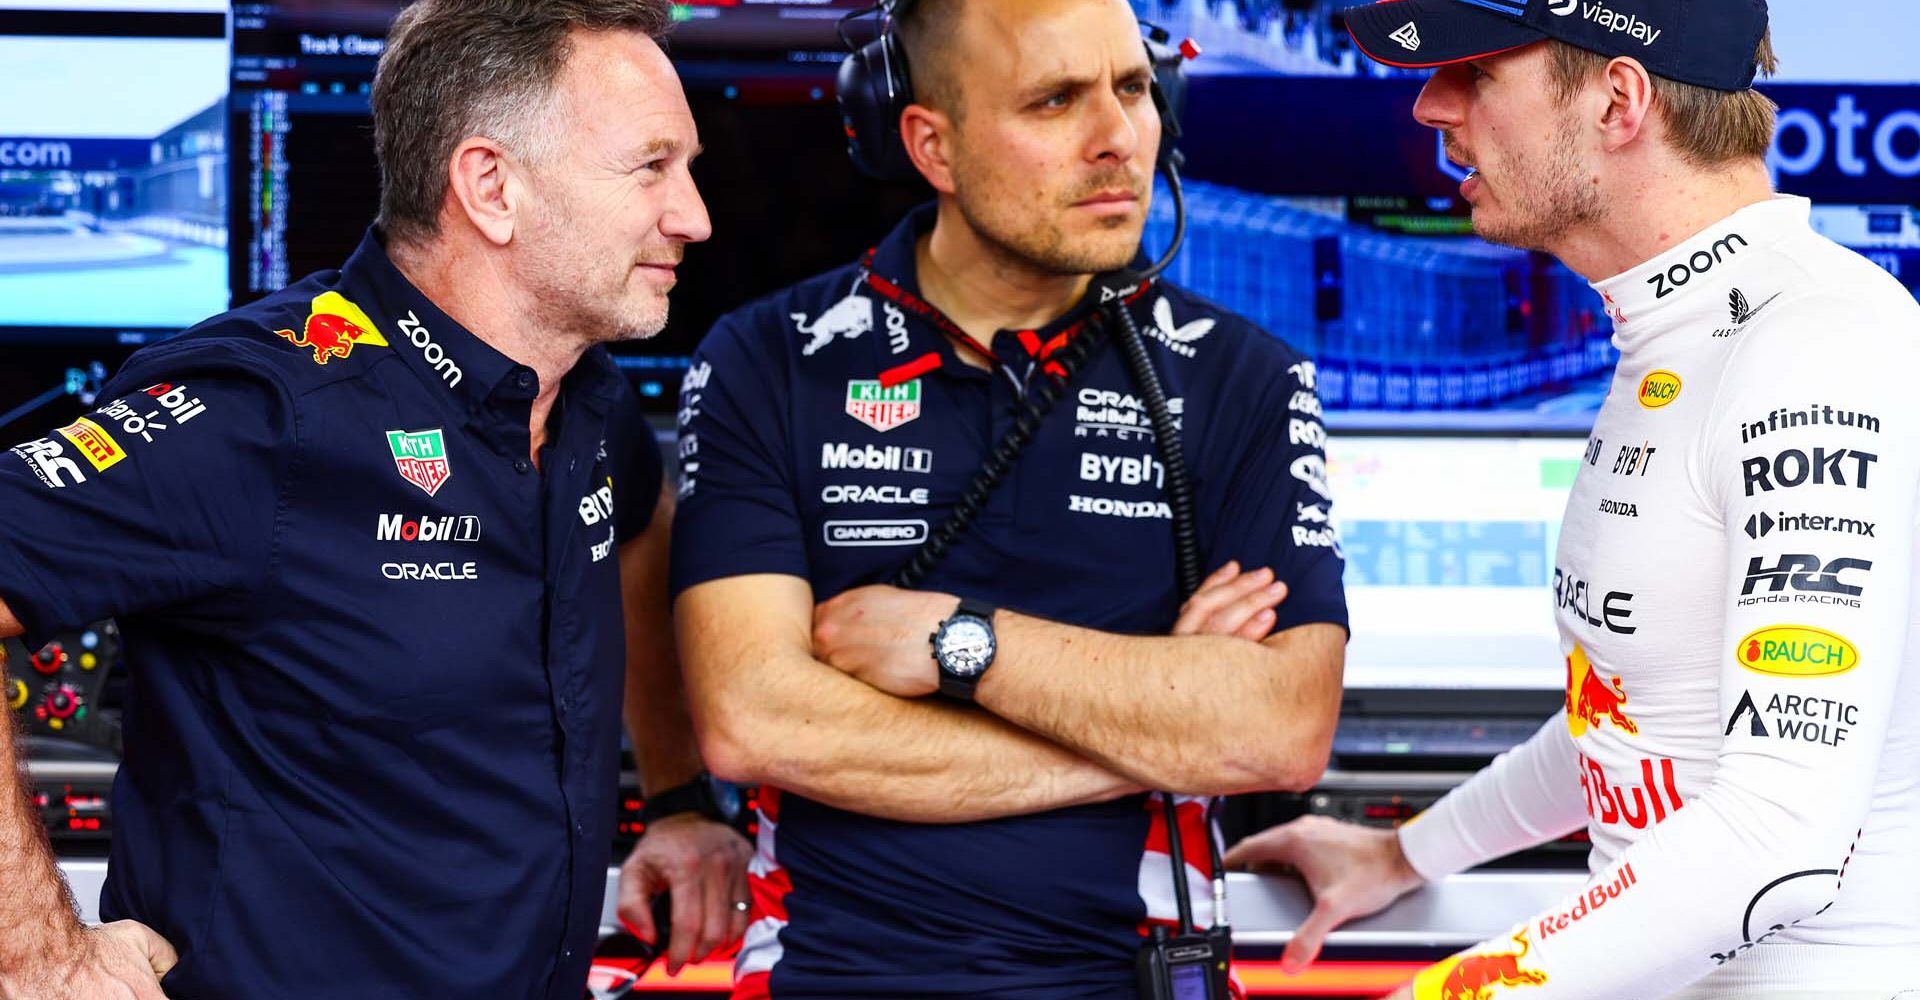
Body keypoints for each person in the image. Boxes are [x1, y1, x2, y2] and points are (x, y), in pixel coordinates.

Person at [0, 2, 752, 998]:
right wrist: (38, 952)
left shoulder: (590, 405)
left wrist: (680, 794)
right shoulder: (262, 412)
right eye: (651, 167)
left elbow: (639, 526)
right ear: (490, 187)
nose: (693, 215)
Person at [1226, 2, 1920, 998]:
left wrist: (1440, 995)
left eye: (1477, 74)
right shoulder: (1681, 333)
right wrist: (1405, 853)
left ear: (1620, 99)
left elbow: (1779, 836)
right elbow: (1638, 716)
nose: (1431, 106)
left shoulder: (1818, 344)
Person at [669, 0, 1350, 995]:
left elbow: (1281, 727)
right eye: (1056, 100)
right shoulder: (766, 360)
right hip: (829, 975)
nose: (1119, 138)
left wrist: (962, 642)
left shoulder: (1242, 377)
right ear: (931, 145)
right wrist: (1162, 725)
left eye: (1132, 88)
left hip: (1132, 977)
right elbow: (755, 720)